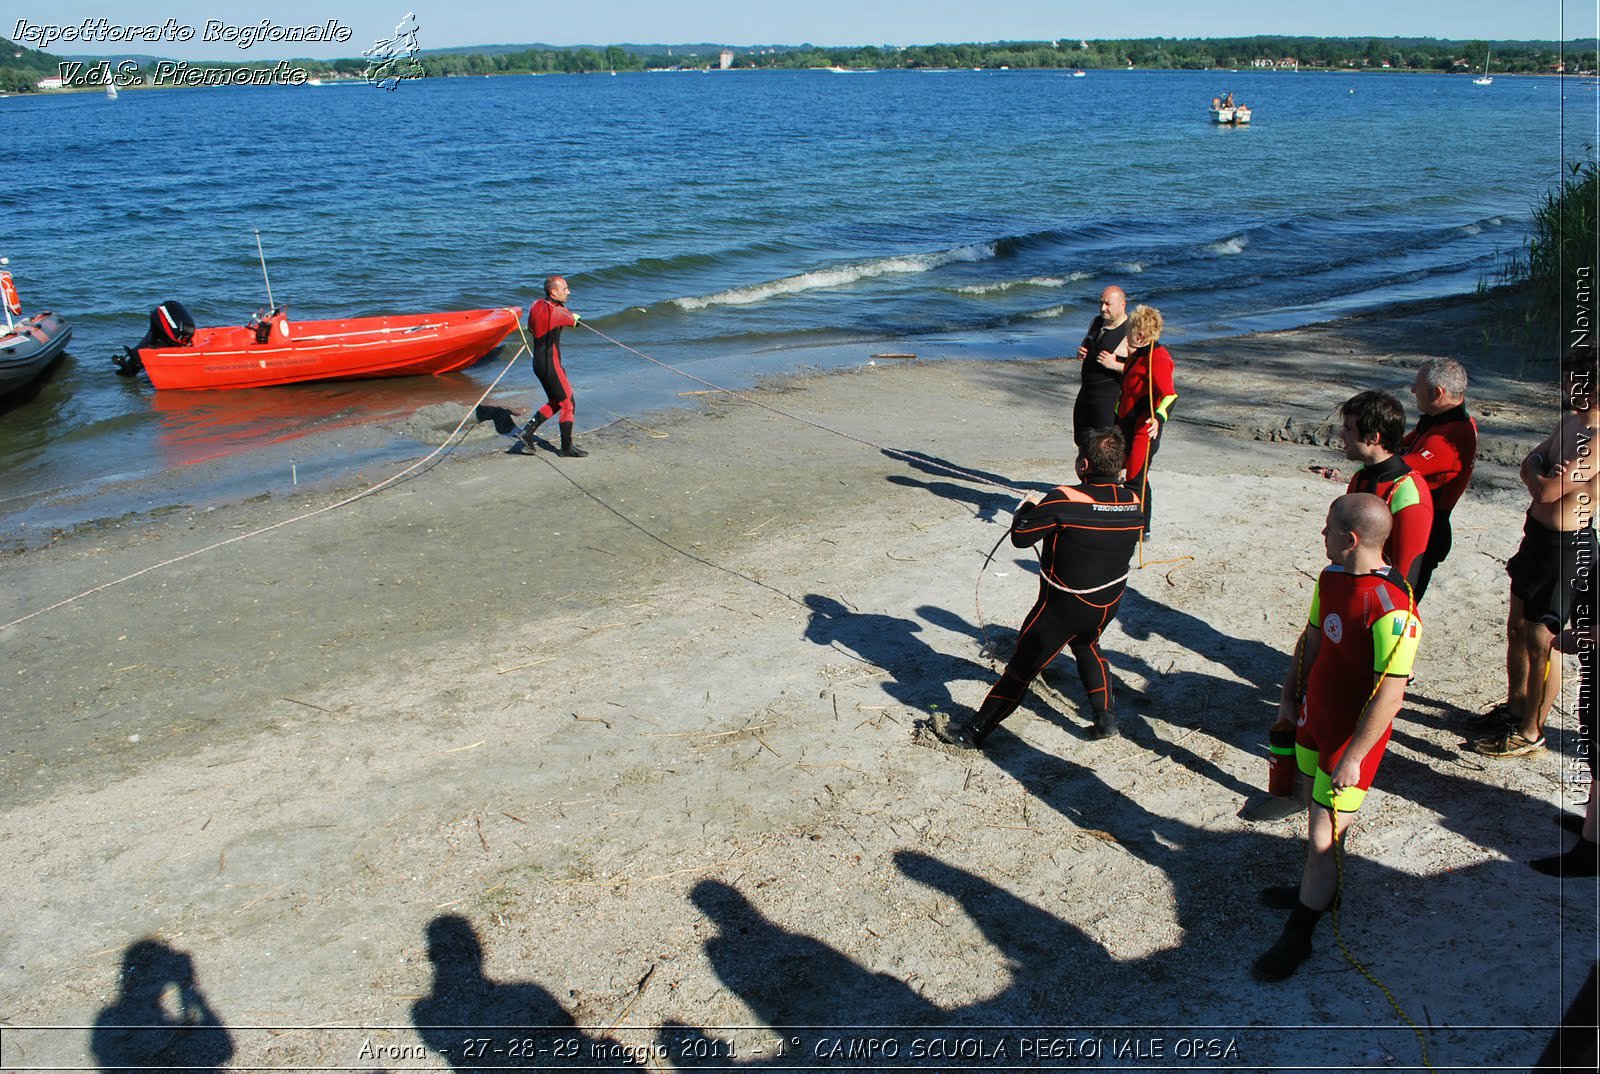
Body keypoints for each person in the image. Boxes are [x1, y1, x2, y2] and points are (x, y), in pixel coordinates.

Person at [1253, 493, 1421, 983]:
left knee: (1322, 837)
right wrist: (1288, 694)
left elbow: (1390, 698)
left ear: (1349, 540)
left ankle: (1299, 935)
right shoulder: (1330, 578)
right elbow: (1311, 638)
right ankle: (1321, 889)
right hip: (1313, 720)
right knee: (1312, 808)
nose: (1320, 536)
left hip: (1350, 741)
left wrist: (1354, 756)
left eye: (1326, 528)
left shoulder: (1395, 607)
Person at [931, 426, 1145, 747]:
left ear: (1083, 465)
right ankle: (1105, 721)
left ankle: (972, 732)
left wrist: (1028, 509)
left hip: (1063, 609)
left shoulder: (1064, 498)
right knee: (1087, 645)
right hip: (1106, 604)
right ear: (1121, 468)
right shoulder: (1134, 500)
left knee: (1021, 668)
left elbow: (1021, 538)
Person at [1477, 344, 1598, 759]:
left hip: (1566, 548)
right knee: (1516, 629)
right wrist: (1537, 467)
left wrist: (1539, 471)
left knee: (1540, 641)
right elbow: (1531, 464)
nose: (1568, 386)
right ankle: (1515, 709)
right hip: (1537, 538)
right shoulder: (1569, 423)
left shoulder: (1597, 438)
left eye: (1577, 380)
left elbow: (1545, 487)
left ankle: (1531, 730)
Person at [1340, 390, 1434, 594]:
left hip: (1385, 603)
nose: (1341, 435)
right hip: (1354, 590)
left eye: (1348, 429)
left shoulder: (1408, 490)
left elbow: (1406, 574)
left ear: (1373, 437)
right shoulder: (1361, 477)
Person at [1401, 358, 1479, 602]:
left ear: (1437, 393)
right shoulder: (1441, 421)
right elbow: (1403, 445)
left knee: (1402, 601)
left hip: (1425, 531)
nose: (1413, 390)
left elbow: (1398, 468)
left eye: (1417, 386)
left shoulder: (1448, 438)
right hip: (1423, 522)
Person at [1115, 304, 1176, 537]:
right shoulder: (1137, 354)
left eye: (1129, 330)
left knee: (1135, 477)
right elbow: (1127, 393)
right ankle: (1132, 523)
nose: (1126, 334)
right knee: (1121, 470)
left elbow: (1170, 395)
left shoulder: (1158, 358)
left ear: (1139, 335)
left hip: (1145, 429)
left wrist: (1158, 419)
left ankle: (1140, 530)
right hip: (1126, 424)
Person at [516, 275, 589, 458]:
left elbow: (531, 328)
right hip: (551, 365)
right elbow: (576, 322)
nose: (569, 292)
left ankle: (526, 432)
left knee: (556, 402)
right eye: (565, 289)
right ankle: (566, 448)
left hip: (538, 364)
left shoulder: (535, 305)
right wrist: (574, 317)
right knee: (568, 404)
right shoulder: (558, 311)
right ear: (554, 292)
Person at [1072, 285, 1131, 447]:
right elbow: (1088, 344)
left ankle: (1113, 473)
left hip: (1109, 399)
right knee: (1082, 441)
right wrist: (1082, 352)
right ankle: (1086, 471)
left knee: (1106, 445)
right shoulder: (1096, 322)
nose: (1102, 308)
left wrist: (1115, 364)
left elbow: (1142, 370)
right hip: (1086, 393)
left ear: (1122, 304)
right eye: (1101, 303)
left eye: (1108, 304)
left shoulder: (1130, 332)